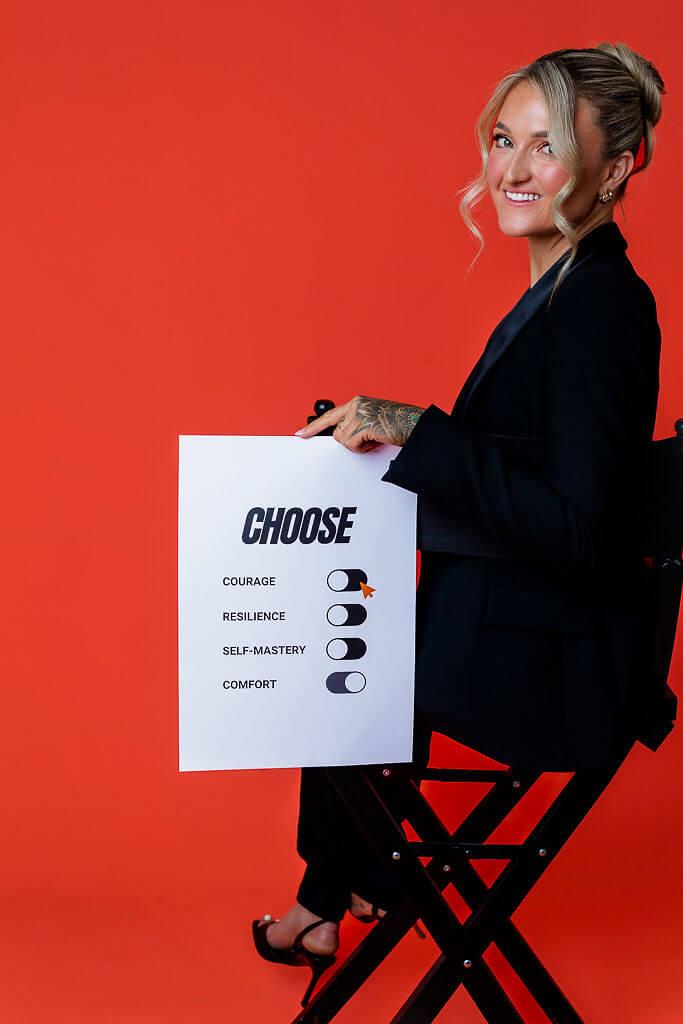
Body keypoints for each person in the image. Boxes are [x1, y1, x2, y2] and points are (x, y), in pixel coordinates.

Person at [252, 41, 667, 982]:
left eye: (547, 146)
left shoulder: (600, 308)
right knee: (343, 636)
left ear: (613, 169)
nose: (511, 169)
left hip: (553, 665)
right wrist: (386, 442)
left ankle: (338, 893)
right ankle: (340, 893)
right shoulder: (563, 291)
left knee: (336, 661)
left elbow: (578, 531)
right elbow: (521, 475)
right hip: (511, 624)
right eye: (502, 138)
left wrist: (417, 431)